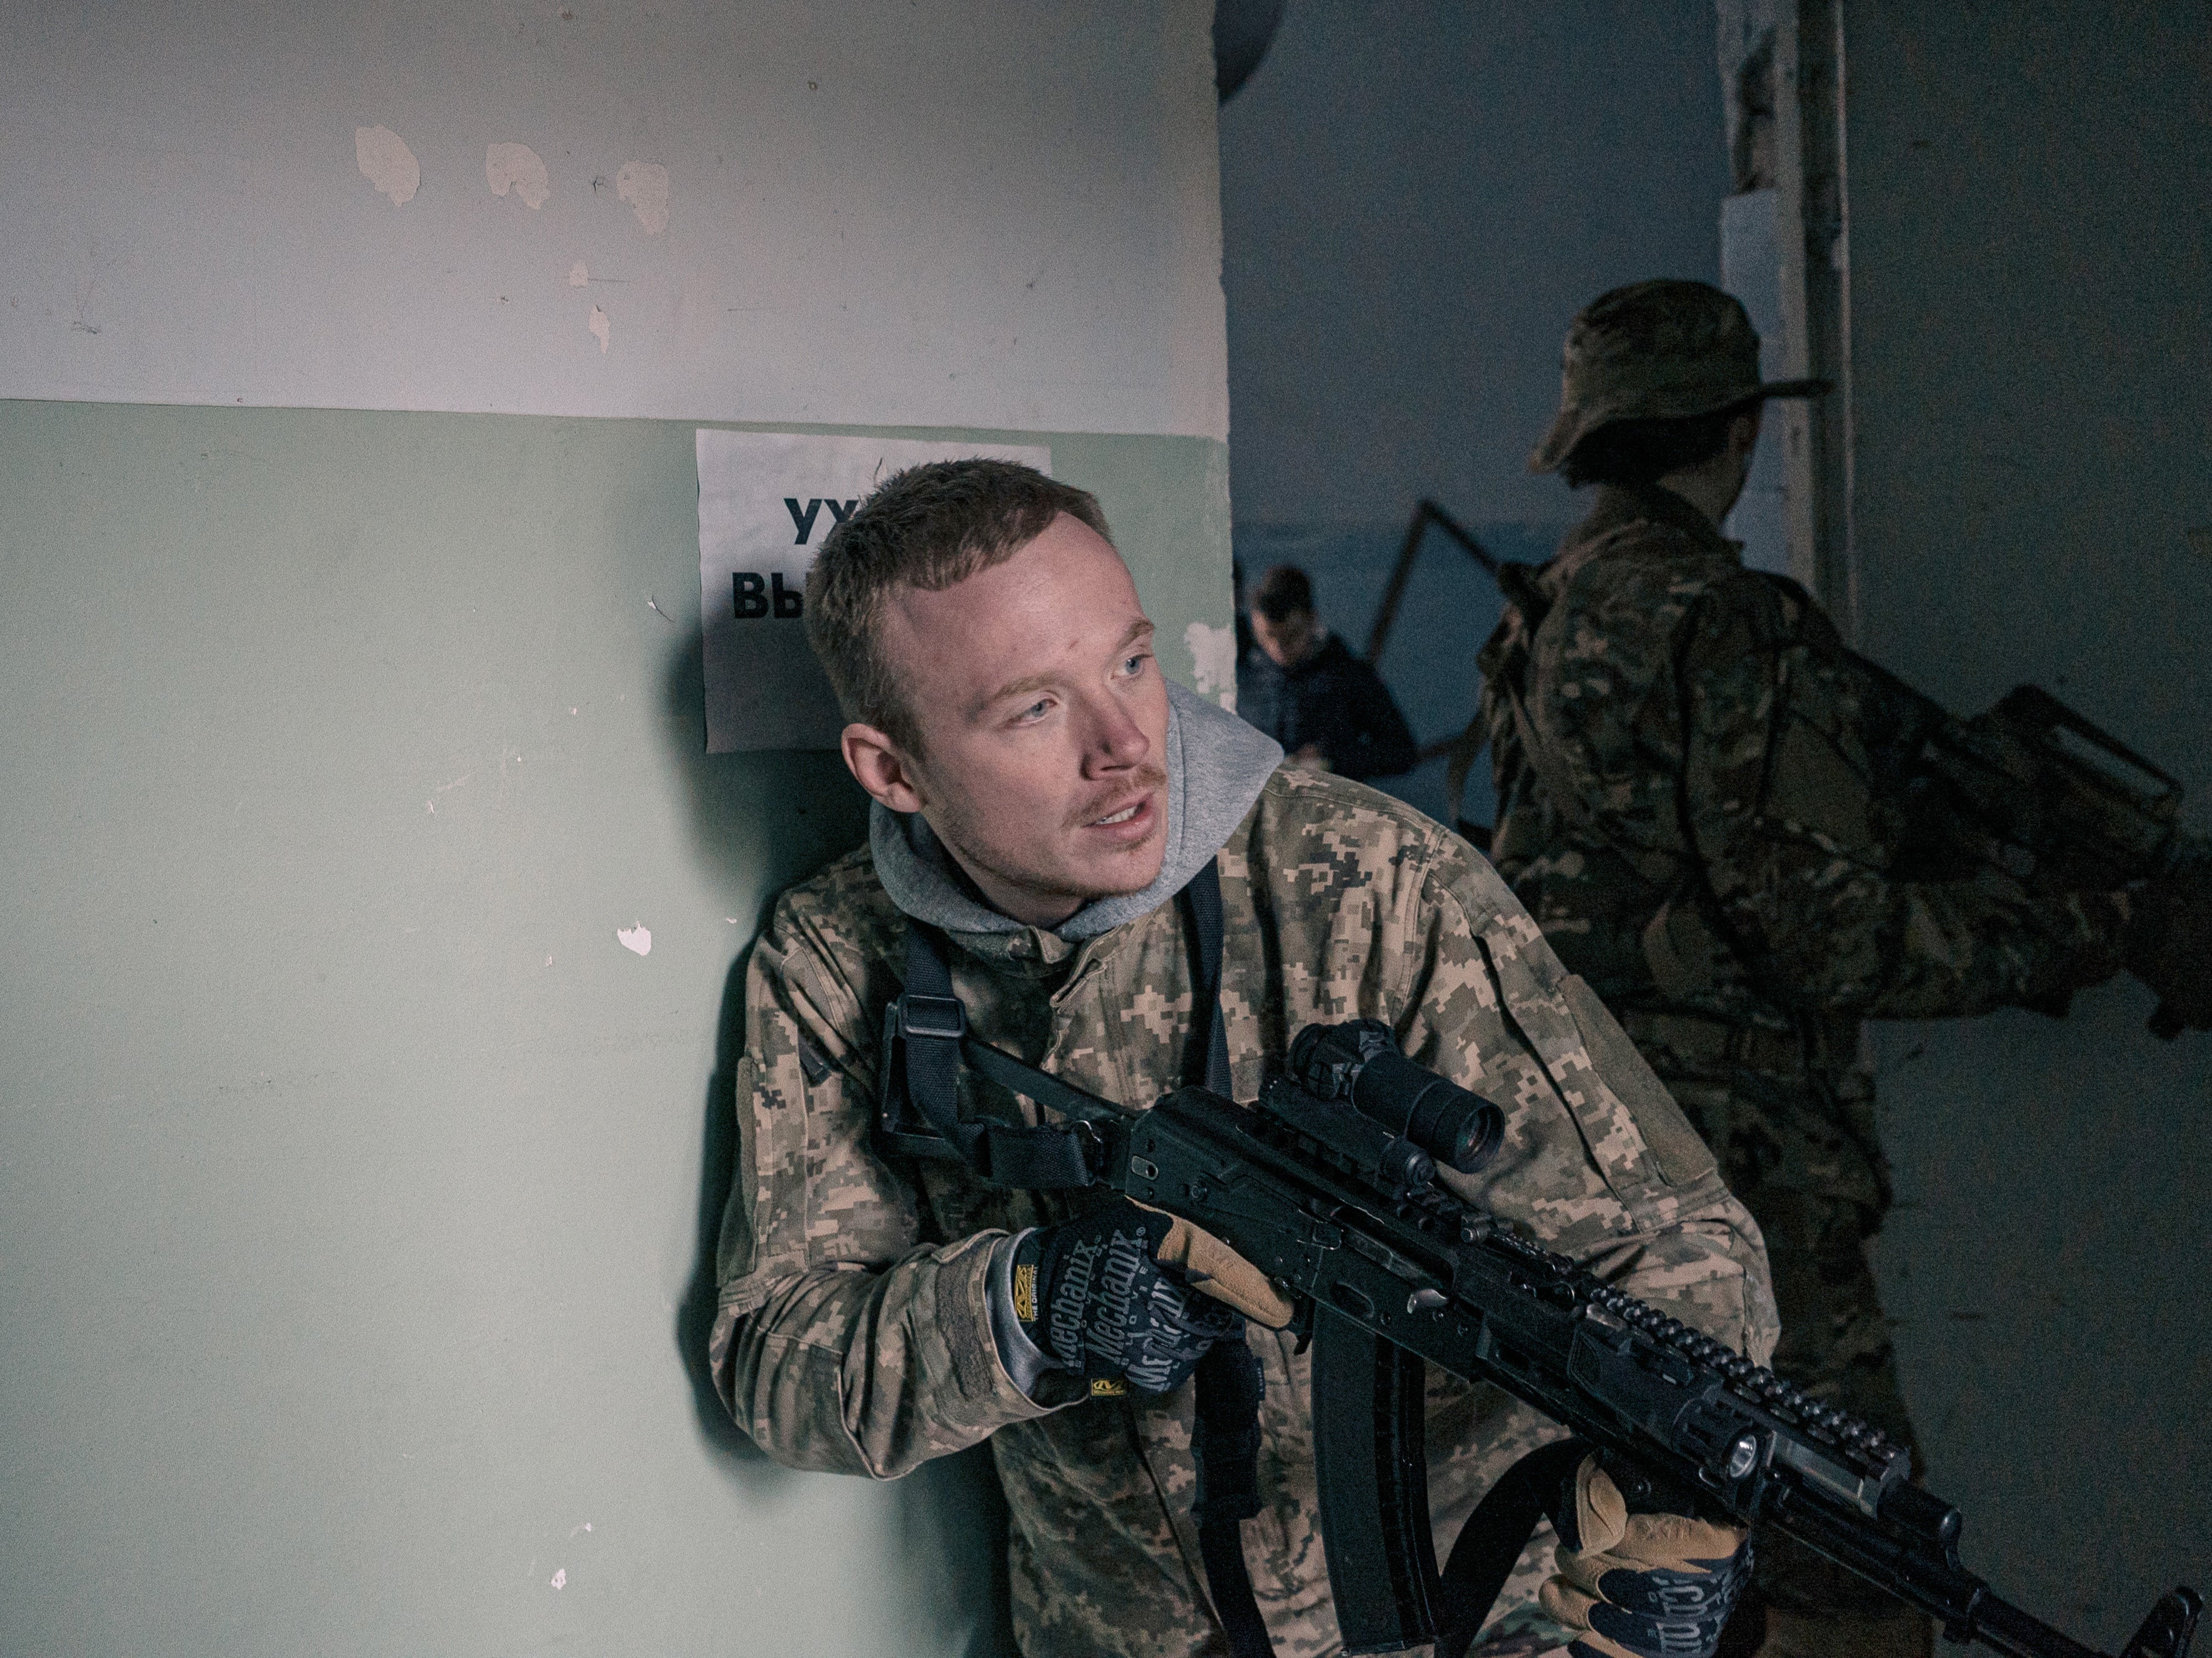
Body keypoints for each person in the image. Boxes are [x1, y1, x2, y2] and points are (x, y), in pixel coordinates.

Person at [709, 458, 1779, 1657]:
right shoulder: (833, 957)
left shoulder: (1372, 879)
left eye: (1128, 661)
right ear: (891, 769)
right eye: (1035, 707)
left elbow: (1674, 1239)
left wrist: (1679, 1499)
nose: (1126, 741)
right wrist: (1032, 1299)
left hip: (1482, 1620)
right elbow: (782, 1357)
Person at [1475, 279, 2150, 1658]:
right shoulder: (1728, 624)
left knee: (1648, 1538)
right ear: (1735, 432)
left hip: (1587, 1154)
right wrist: (2095, 929)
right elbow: (1827, 933)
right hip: (1748, 1184)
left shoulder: (1546, 615)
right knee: (1850, 1550)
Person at [1237, 564, 1420, 781]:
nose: (1279, 649)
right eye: (1268, 636)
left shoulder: (1347, 675)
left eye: (1292, 636)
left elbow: (1402, 752)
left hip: (1329, 807)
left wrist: (1331, 761)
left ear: (1312, 620)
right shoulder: (1239, 668)